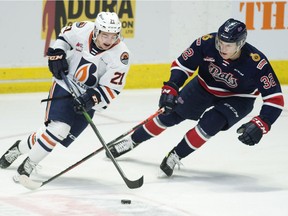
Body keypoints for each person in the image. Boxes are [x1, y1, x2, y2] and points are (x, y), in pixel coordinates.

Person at [107, 18, 284, 177]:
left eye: (228, 45)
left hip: (239, 98)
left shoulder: (257, 62)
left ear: (241, 43)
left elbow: (275, 99)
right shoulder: (205, 43)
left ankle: (176, 155)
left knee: (211, 123)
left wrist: (262, 123)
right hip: (203, 87)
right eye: (220, 42)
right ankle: (131, 141)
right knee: (168, 115)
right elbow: (182, 65)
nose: (222, 48)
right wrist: (171, 87)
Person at [0, 12, 131, 181]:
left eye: (113, 36)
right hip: (65, 84)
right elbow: (64, 37)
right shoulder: (84, 29)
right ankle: (27, 167)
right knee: (59, 129)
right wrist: (58, 53)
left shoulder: (121, 56)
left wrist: (90, 99)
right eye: (105, 35)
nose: (108, 40)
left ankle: (18, 149)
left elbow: (111, 88)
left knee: (54, 134)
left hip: (88, 98)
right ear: (97, 31)